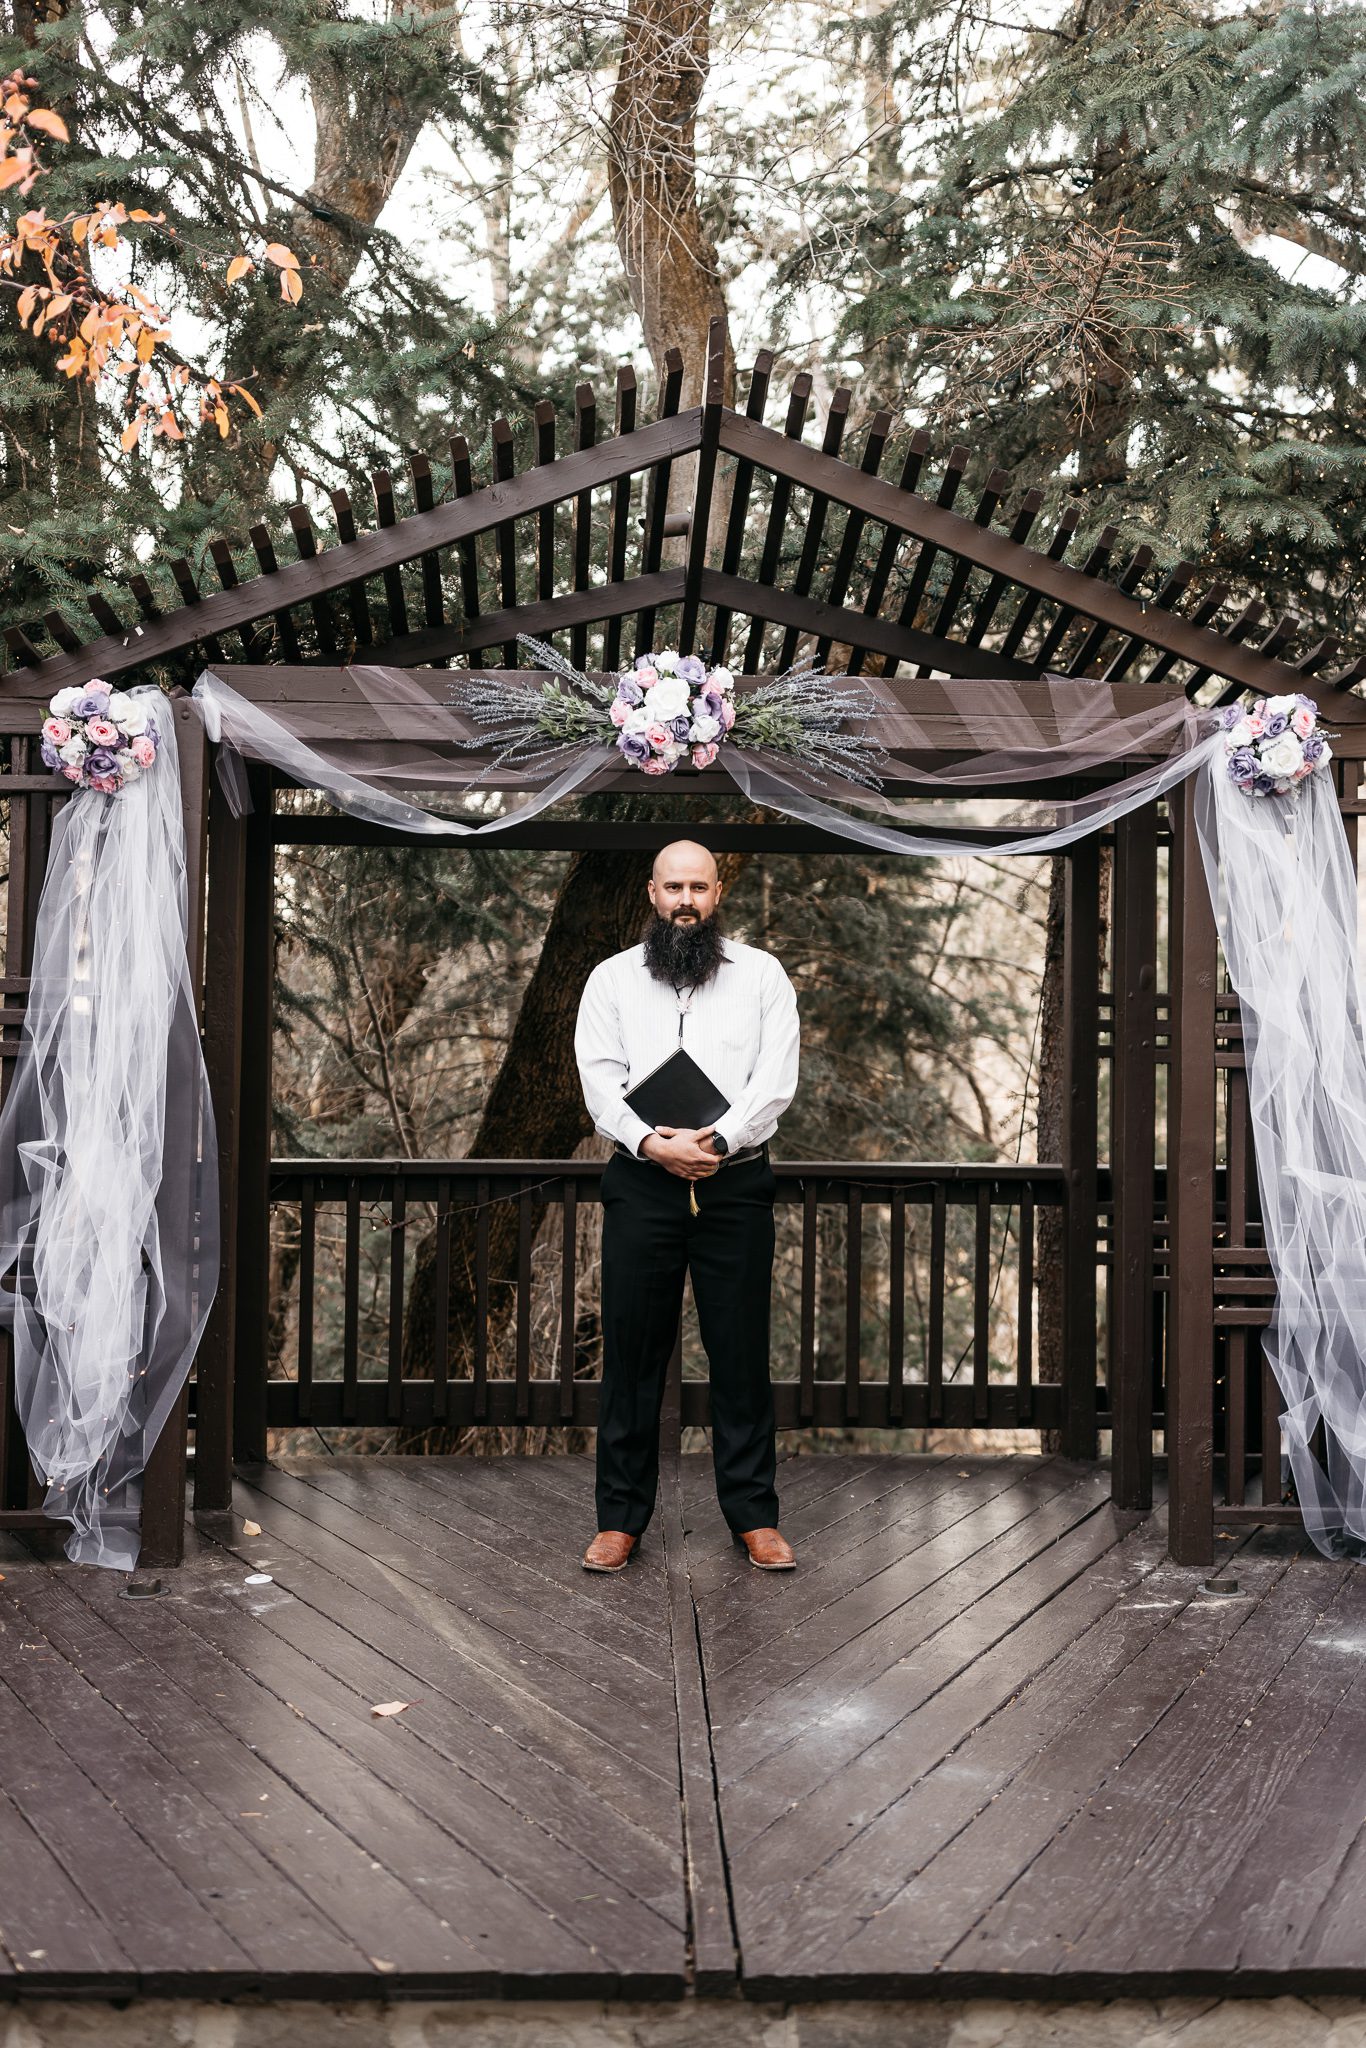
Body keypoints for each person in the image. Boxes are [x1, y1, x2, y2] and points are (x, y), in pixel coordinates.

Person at [573, 839, 800, 1573]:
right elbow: (599, 1079)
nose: (685, 901)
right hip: (642, 1185)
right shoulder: (611, 980)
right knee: (632, 1356)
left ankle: (754, 1517)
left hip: (736, 1184)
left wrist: (719, 1141)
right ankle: (619, 1521)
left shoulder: (762, 976)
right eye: (673, 887)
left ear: (717, 893)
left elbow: (775, 1079)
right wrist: (652, 1144)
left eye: (698, 887)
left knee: (741, 1354)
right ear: (651, 893)